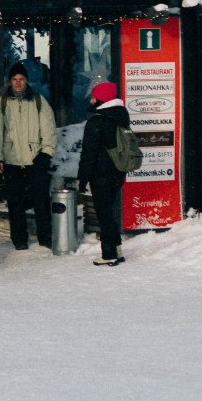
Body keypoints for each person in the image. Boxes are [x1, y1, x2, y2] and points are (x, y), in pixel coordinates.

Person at [0, 61, 56, 250]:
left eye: (21, 79)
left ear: (26, 80)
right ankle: (19, 239)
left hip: (35, 159)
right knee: (15, 203)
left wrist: (47, 153)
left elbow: (49, 129)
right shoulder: (1, 103)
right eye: (15, 79)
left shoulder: (38, 100)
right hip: (11, 159)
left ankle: (46, 237)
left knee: (41, 200)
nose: (18, 83)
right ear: (10, 81)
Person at [77, 80, 132, 266]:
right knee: (108, 211)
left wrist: (83, 178)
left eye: (94, 96)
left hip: (100, 174)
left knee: (104, 214)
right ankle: (117, 249)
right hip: (117, 171)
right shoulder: (121, 116)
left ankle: (109, 254)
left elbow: (88, 153)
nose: (91, 100)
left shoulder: (97, 121)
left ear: (100, 99)